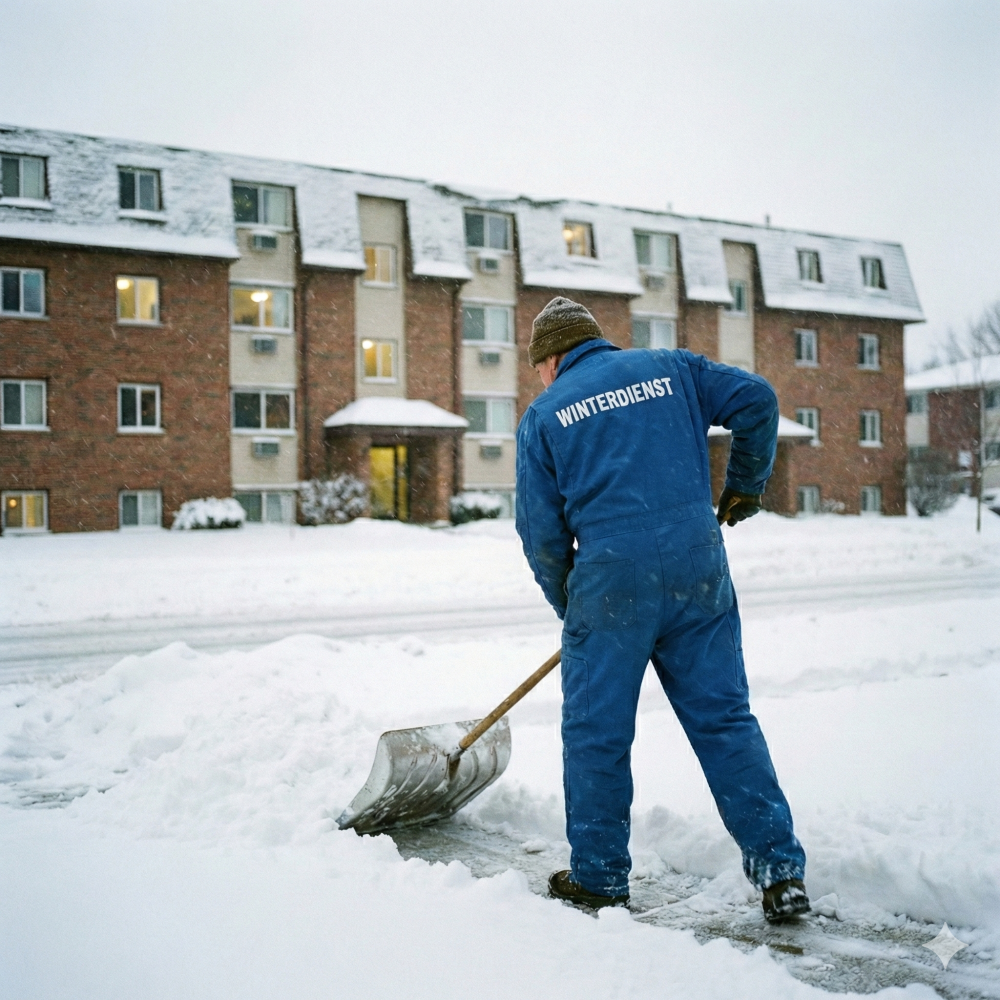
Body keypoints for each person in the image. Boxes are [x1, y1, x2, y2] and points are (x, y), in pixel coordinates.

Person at [515, 296, 809, 922]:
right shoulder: (672, 369)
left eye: (538, 366)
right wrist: (745, 485)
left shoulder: (544, 415)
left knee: (597, 733)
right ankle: (780, 873)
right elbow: (757, 399)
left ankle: (599, 880)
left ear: (552, 358)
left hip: (611, 578)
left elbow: (541, 536)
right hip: (697, 564)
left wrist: (573, 604)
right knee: (725, 720)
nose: (540, 378)